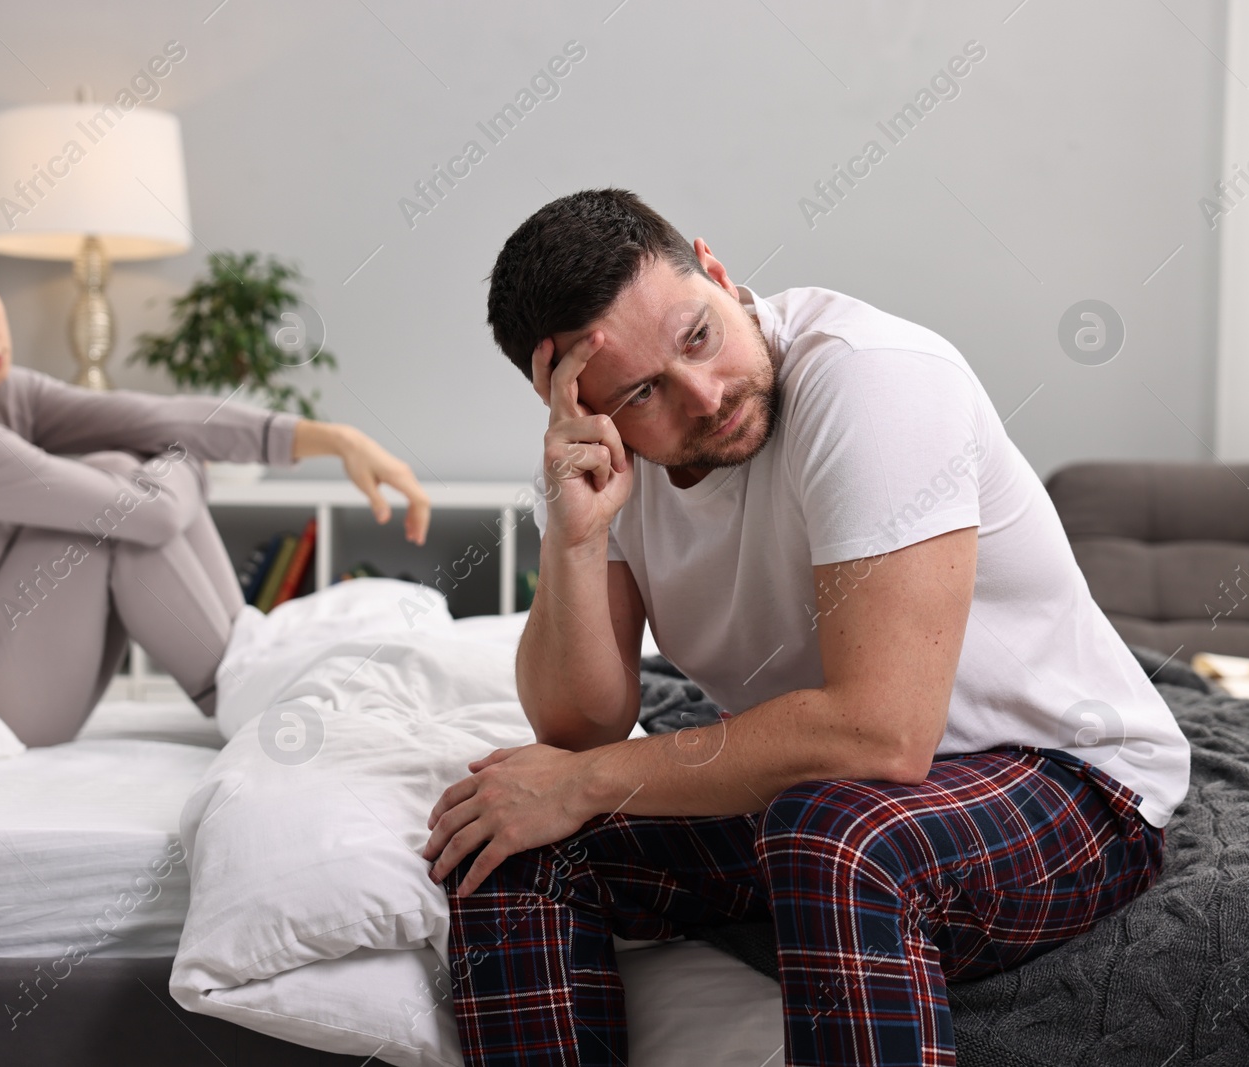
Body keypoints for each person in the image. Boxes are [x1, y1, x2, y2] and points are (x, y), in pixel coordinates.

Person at [419, 188, 1190, 1066]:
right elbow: (576, 728)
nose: (703, 396)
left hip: (1071, 777)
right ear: (581, 409)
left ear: (715, 270)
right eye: (642, 393)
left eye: (698, 335)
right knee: (510, 846)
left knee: (839, 836)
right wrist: (572, 531)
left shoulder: (873, 378)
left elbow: (882, 733)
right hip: (822, 786)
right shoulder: (623, 468)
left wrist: (591, 779)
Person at [0, 214, 430, 747]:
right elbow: (147, 511)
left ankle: (247, 677)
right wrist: (180, 463)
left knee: (127, 473)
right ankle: (248, 690)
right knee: (118, 487)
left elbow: (157, 418)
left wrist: (333, 438)